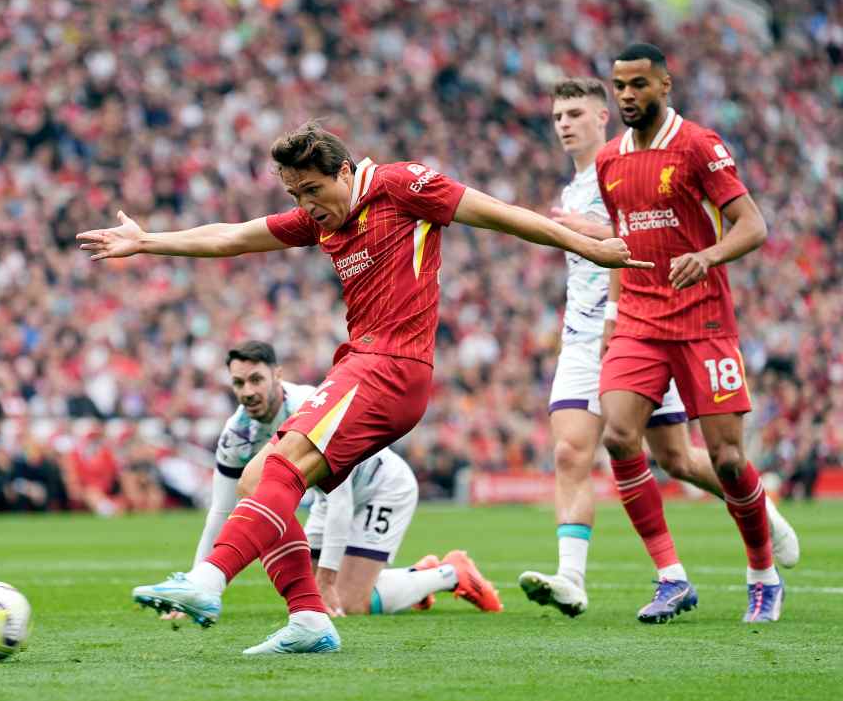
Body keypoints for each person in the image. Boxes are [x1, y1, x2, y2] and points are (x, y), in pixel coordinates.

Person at [79, 120, 648, 654]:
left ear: (345, 172)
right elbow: (232, 236)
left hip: (391, 364)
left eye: (312, 190)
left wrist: (586, 246)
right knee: (261, 477)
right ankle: (308, 618)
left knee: (278, 469)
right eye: (295, 194)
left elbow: (499, 213)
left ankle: (208, 581)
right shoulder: (321, 217)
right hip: (367, 363)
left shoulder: (403, 185)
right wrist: (149, 241)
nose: (306, 206)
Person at [519, 78, 799, 617]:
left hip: (668, 319)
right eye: (557, 116)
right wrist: (610, 317)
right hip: (599, 331)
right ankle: (576, 578)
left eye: (575, 113)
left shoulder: (632, 162)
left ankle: (760, 513)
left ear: (603, 117)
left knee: (685, 458)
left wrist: (588, 237)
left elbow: (630, 235)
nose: (564, 124)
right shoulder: (576, 186)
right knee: (576, 449)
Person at [595, 44, 781, 623]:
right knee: (620, 437)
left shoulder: (699, 145)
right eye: (620, 85)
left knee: (727, 460)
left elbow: (753, 225)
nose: (627, 95)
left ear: (665, 85)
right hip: (641, 324)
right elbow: (622, 243)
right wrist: (613, 316)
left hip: (703, 321)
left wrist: (709, 255)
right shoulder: (608, 160)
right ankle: (671, 577)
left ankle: (763, 574)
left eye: (639, 85)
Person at [171, 341, 499, 623]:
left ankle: (450, 573)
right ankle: (414, 578)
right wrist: (194, 585)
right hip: (328, 501)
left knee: (348, 601)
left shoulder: (308, 407)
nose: (248, 392)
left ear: (278, 375)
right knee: (306, 587)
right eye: (239, 383)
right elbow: (221, 511)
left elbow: (341, 497)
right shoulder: (237, 436)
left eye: (256, 379)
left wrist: (328, 578)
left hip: (380, 487)